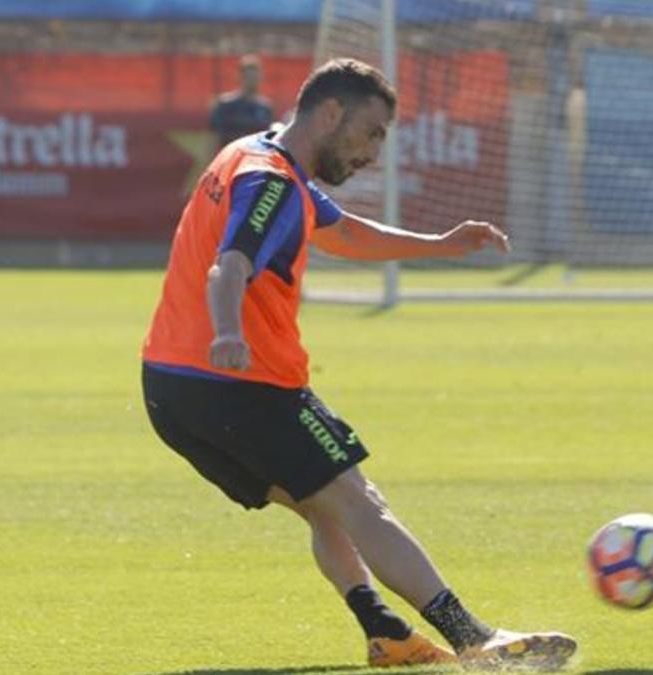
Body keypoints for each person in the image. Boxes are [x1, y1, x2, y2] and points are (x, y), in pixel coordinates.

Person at [142, 58, 577, 670]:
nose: (374, 152)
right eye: (371, 132)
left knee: (327, 506)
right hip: (237, 382)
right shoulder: (269, 180)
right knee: (357, 501)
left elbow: (344, 234)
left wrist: (439, 244)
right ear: (329, 113)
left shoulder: (257, 154)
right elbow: (230, 265)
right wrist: (228, 332)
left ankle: (387, 634)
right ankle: (474, 637)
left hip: (171, 389)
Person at [209, 54, 276, 148]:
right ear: (239, 76)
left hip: (255, 159)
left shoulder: (265, 107)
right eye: (248, 76)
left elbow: (269, 138)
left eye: (254, 76)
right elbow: (214, 137)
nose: (252, 80)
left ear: (261, 77)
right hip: (232, 157)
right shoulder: (225, 104)